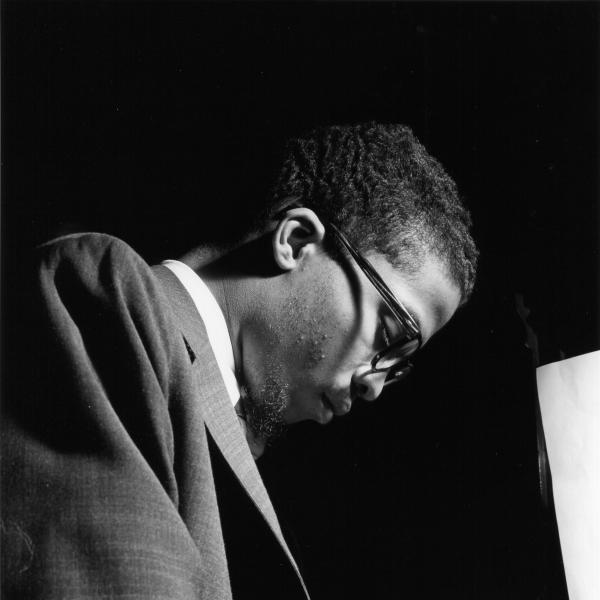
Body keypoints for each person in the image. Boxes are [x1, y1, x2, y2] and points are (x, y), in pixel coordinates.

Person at [1, 122, 478, 599]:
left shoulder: (229, 430)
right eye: (388, 334)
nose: (375, 387)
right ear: (295, 241)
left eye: (397, 366)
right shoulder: (107, 296)